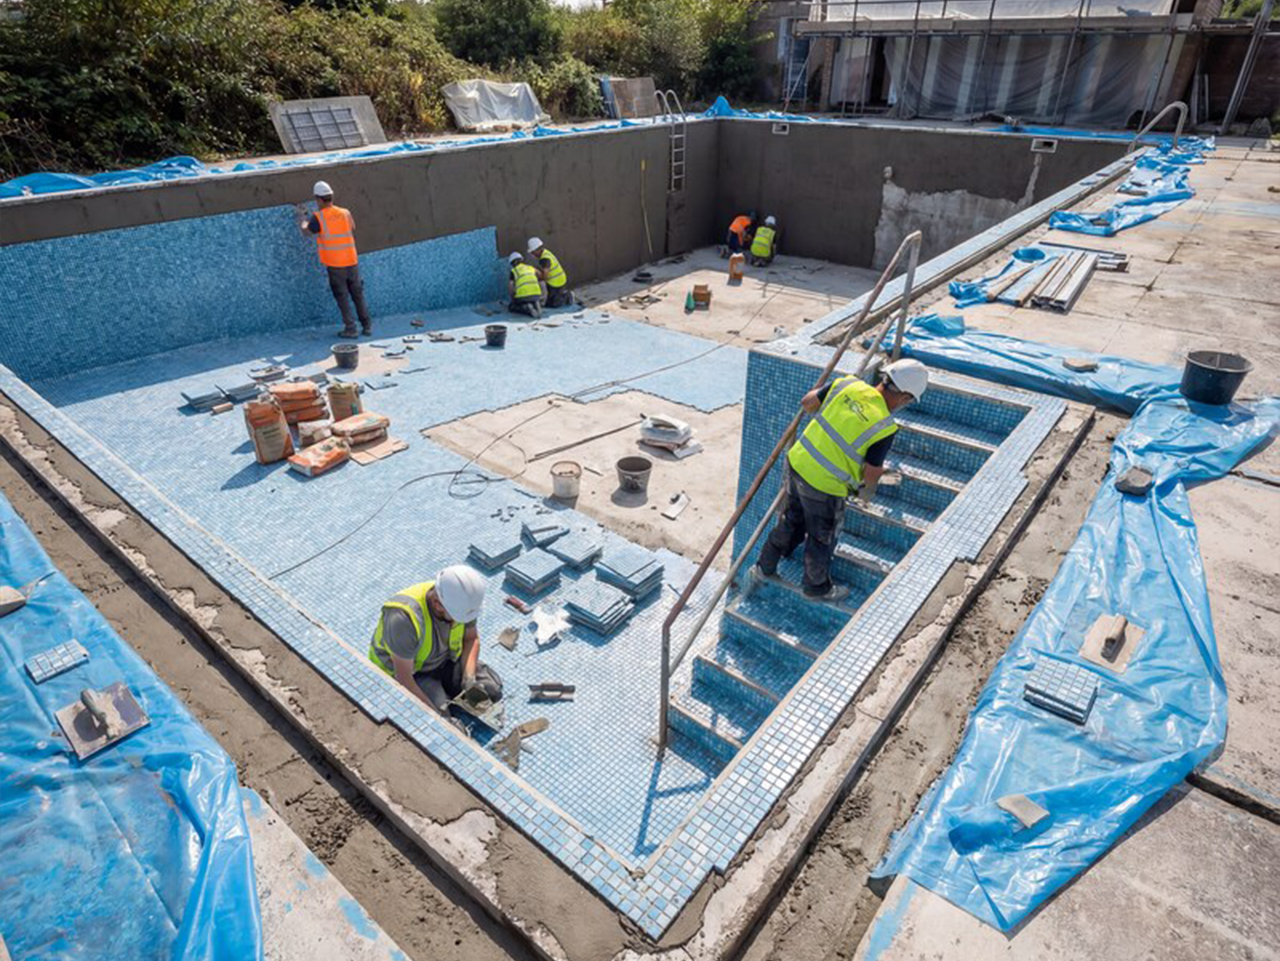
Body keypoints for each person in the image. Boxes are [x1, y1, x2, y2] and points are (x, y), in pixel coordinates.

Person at [752, 359, 929, 602]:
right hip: (826, 485)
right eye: (908, 401)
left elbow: (807, 403)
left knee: (792, 517)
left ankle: (765, 565)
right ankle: (816, 587)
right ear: (904, 397)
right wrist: (866, 494)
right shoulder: (885, 427)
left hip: (798, 462)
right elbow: (871, 471)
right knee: (821, 535)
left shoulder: (847, 384)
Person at [369, 566, 503, 718]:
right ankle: (442, 703)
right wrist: (436, 717)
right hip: (416, 674)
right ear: (438, 604)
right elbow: (404, 678)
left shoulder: (462, 600)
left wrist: (469, 680)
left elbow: (471, 639)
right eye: (455, 618)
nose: (456, 623)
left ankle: (450, 689)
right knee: (443, 718)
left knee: (491, 691)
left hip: (445, 661)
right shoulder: (403, 618)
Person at [297, 180, 371, 338]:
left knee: (342, 297)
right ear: (331, 196)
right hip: (352, 261)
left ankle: (350, 329)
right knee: (358, 294)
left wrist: (302, 217)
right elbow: (352, 227)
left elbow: (306, 231)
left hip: (335, 265)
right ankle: (367, 326)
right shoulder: (345, 212)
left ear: (318, 199)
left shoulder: (318, 217)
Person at [527, 237, 575, 308]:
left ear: (537, 250)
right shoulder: (546, 252)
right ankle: (561, 294)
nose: (532, 254)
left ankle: (567, 296)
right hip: (561, 279)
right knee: (551, 299)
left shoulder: (544, 259)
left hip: (555, 283)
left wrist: (537, 277)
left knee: (552, 304)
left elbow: (545, 276)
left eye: (533, 252)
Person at [507, 252, 543, 318]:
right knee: (533, 300)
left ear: (513, 263)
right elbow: (540, 274)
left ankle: (526, 308)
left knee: (511, 307)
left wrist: (513, 298)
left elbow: (511, 287)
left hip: (523, 296)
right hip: (537, 294)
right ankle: (537, 306)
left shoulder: (514, 271)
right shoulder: (531, 267)